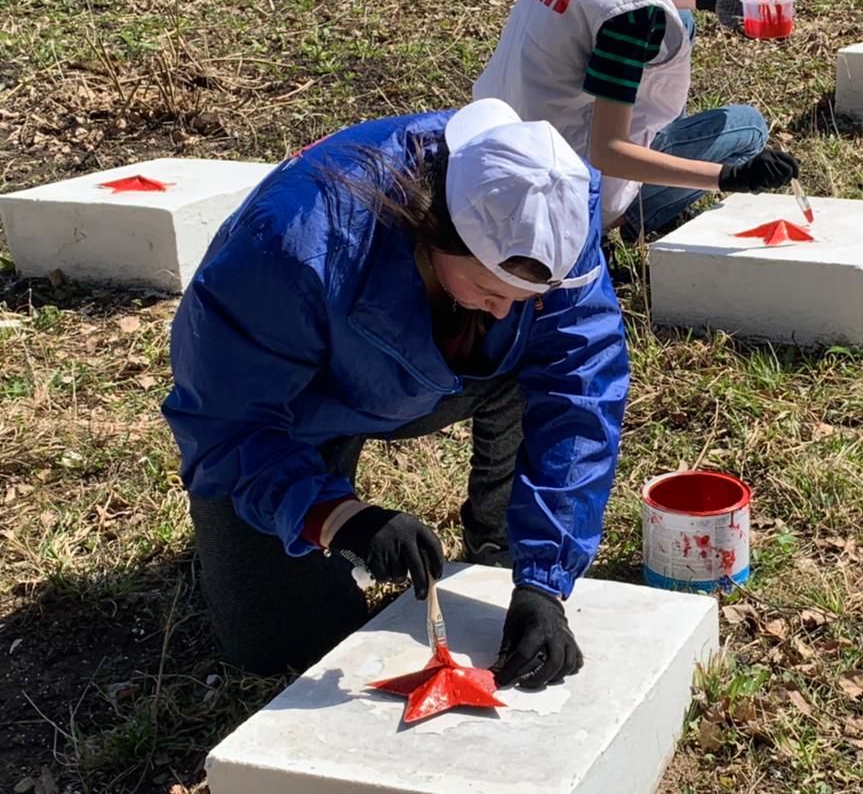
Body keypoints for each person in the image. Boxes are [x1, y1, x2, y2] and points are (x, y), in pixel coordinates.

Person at [162, 99, 629, 687]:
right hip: (293, 408)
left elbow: (579, 391)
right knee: (280, 646)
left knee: (537, 358)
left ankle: (502, 548)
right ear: (435, 231)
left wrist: (545, 580)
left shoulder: (553, 205)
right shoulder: (292, 248)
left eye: (529, 296)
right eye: (489, 287)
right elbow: (224, 425)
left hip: (436, 377)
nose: (508, 309)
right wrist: (335, 516)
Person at [475, 0, 799, 242]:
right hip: (562, 193)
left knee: (683, 21)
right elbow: (607, 153)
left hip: (494, 145)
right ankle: (620, 224)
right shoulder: (637, 12)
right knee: (748, 126)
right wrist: (726, 178)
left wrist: (717, 1)